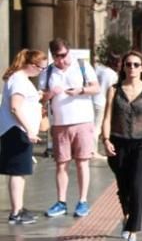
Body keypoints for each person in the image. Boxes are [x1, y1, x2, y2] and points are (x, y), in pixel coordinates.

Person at [102, 51, 142, 241]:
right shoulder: (114, 90)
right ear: (123, 67)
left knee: (137, 186)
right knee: (124, 187)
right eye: (128, 64)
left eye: (137, 65)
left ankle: (133, 233)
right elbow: (107, 117)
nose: (132, 68)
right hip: (119, 143)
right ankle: (127, 217)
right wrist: (105, 139)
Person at [39, 39, 99, 218]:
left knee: (82, 162)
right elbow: (41, 98)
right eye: (57, 57)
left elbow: (95, 88)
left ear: (69, 52)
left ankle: (82, 201)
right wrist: (51, 93)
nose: (61, 60)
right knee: (61, 163)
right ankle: (61, 201)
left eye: (63, 55)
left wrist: (80, 91)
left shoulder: (83, 66)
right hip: (60, 123)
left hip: (83, 121)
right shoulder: (48, 72)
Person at [0, 50, 46, 225]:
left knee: (20, 171)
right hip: (17, 130)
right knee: (18, 172)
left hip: (17, 130)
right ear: (32, 65)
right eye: (41, 68)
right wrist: (29, 130)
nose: (41, 71)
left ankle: (18, 207)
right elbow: (15, 107)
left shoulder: (20, 80)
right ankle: (16, 212)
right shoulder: (19, 80)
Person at [93, 53, 120, 157]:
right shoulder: (112, 74)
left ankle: (91, 149)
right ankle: (93, 151)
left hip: (93, 100)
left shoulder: (99, 69)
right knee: (97, 127)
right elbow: (111, 90)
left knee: (93, 125)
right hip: (102, 101)